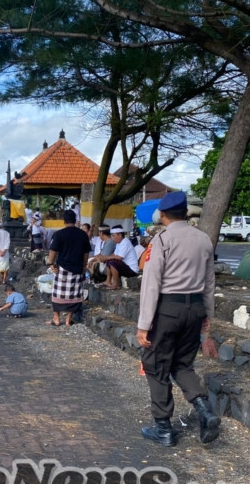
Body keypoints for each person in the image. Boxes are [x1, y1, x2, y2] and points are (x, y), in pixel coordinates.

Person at [136, 191, 220, 447]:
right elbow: (209, 282)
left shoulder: (161, 241)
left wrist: (143, 325)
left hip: (168, 309)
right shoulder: (203, 239)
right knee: (183, 365)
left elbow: (151, 284)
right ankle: (205, 410)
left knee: (156, 366)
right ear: (185, 213)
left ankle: (163, 428)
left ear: (162, 215)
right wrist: (207, 315)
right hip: (194, 307)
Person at [47, 209, 92, 326]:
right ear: (75, 220)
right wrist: (84, 265)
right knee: (74, 294)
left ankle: (56, 318)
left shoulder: (59, 234)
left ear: (64, 221)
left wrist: (51, 264)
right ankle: (68, 319)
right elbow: (86, 253)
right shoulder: (83, 235)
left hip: (62, 267)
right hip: (77, 268)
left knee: (58, 294)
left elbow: (53, 251)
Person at [93, 225, 139, 290]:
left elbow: (119, 257)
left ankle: (115, 284)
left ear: (119, 235)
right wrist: (104, 258)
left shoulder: (125, 242)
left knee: (113, 262)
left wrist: (105, 258)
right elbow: (113, 254)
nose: (112, 238)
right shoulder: (118, 243)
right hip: (125, 267)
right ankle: (108, 281)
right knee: (109, 261)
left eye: (113, 236)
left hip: (132, 269)